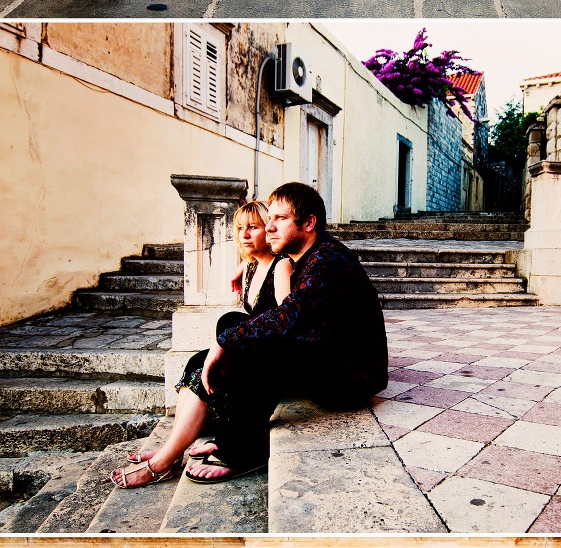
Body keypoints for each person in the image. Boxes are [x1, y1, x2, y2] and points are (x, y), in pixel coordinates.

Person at [180, 182, 389, 484]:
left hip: (352, 379)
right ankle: (232, 431)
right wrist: (244, 265)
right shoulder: (307, 255)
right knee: (232, 322)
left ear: (308, 223)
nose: (268, 228)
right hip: (324, 358)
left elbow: (287, 319)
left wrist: (222, 343)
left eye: (279, 219)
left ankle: (245, 450)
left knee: (262, 345)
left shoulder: (328, 261)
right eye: (270, 219)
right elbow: (275, 308)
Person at [109, 201, 287, 489]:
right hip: (250, 351)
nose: (244, 234)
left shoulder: (282, 268)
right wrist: (244, 265)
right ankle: (173, 449)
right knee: (196, 364)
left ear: (268, 229)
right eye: (240, 228)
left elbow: (284, 321)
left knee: (216, 351)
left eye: (253, 227)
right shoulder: (251, 267)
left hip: (268, 362)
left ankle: (163, 461)